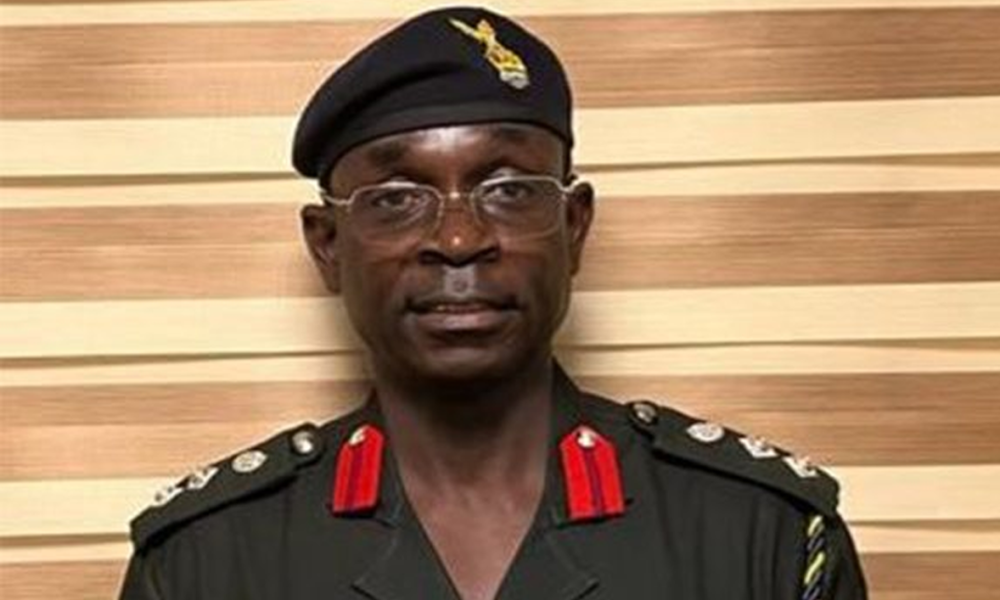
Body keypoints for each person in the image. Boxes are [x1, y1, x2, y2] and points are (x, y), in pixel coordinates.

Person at [118, 6, 868, 599]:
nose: (458, 238)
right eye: (396, 197)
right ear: (327, 245)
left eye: (509, 190)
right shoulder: (207, 559)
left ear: (574, 227)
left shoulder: (760, 533)